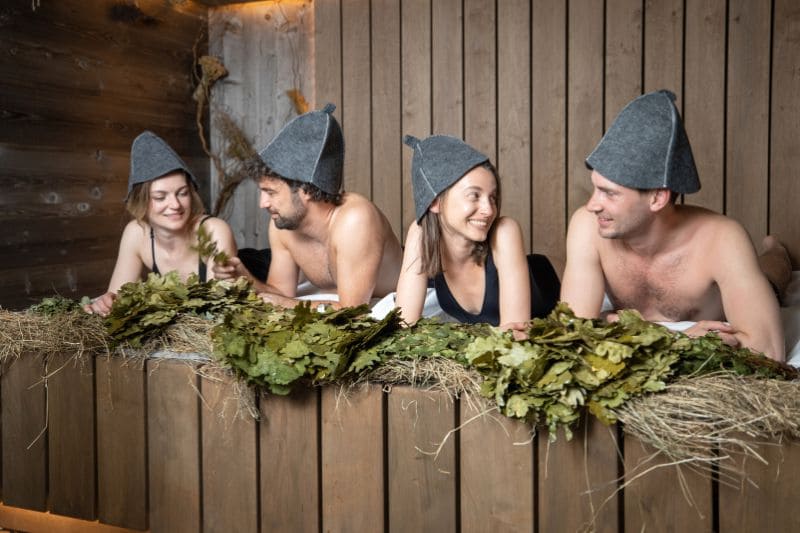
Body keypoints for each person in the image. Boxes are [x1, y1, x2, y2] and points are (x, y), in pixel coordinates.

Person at [560, 90, 785, 361]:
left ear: (657, 198)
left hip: (757, 279)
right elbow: (570, 334)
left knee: (773, 274)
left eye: (609, 193)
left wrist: (620, 327)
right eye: (595, 188)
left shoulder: (722, 238)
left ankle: (778, 251)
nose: (591, 205)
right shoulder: (587, 225)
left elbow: (769, 350)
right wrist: (674, 338)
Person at [214, 104, 403, 308]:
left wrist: (286, 305)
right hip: (337, 305)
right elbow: (280, 293)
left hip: (396, 307)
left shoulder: (355, 220)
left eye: (271, 192)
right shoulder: (283, 224)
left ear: (305, 189)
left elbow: (353, 312)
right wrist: (245, 278)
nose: (263, 203)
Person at [395, 134, 560, 335]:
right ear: (434, 202)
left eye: (492, 197)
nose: (489, 210)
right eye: (474, 196)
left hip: (550, 287)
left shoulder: (505, 232)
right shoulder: (420, 234)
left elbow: (517, 333)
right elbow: (403, 327)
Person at [84, 131, 238, 316]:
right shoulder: (136, 233)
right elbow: (118, 299)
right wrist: (106, 303)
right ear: (141, 201)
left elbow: (221, 312)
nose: (175, 205)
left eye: (182, 193)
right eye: (160, 197)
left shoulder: (215, 230)